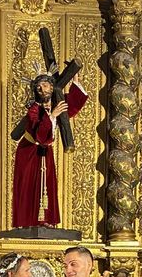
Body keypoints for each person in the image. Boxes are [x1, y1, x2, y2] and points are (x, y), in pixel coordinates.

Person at [12, 70, 87, 228]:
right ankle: (27, 222)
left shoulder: (56, 103)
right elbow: (39, 133)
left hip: (45, 152)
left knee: (46, 184)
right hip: (29, 151)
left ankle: (45, 220)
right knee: (28, 185)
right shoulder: (34, 109)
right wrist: (52, 116)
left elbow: (72, 106)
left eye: (45, 85)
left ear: (53, 87)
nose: (41, 88)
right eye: (38, 86)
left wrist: (75, 81)